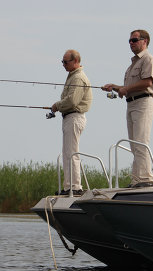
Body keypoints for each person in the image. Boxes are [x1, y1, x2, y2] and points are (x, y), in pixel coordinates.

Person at [102, 29, 153, 188]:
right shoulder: (132, 64)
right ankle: (137, 180)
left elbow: (147, 82)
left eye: (134, 40)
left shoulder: (148, 59)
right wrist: (115, 87)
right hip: (131, 104)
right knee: (134, 144)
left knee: (141, 142)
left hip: (143, 103)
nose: (131, 43)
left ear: (145, 41)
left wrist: (126, 89)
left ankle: (145, 180)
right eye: (130, 41)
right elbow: (129, 87)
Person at [52, 49, 92, 196]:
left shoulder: (78, 78)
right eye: (62, 61)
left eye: (65, 61)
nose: (63, 64)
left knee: (72, 152)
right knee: (68, 153)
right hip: (69, 117)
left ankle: (75, 187)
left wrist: (57, 105)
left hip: (75, 117)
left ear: (75, 61)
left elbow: (72, 100)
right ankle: (69, 186)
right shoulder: (72, 77)